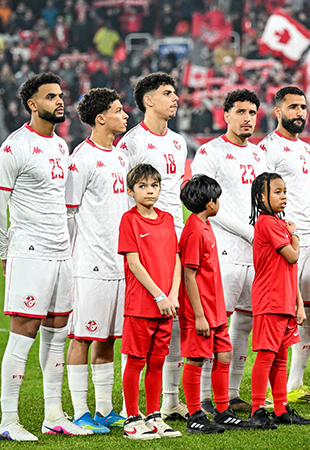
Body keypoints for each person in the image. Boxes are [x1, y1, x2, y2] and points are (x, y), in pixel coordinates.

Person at [0, 73, 91, 441]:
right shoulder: (14, 147)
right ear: (32, 104)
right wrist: (4, 251)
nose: (59, 101)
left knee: (57, 332)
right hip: (30, 250)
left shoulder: (60, 146)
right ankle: (8, 421)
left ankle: (53, 415)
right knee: (23, 334)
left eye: (60, 95)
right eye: (50, 96)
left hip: (60, 251)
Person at [189, 89, 267, 414]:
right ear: (226, 115)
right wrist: (249, 232)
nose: (247, 118)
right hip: (221, 251)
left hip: (254, 253)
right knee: (216, 324)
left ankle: (232, 393)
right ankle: (205, 396)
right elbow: (204, 203)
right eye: (241, 112)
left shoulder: (260, 155)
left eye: (252, 112)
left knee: (245, 323)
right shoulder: (210, 153)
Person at [117, 73, 189, 420]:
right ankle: (128, 408)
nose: (175, 98)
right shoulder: (131, 143)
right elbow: (124, 196)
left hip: (172, 236)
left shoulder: (178, 142)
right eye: (167, 93)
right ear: (148, 100)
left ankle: (167, 401)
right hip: (141, 238)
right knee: (139, 329)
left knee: (172, 321)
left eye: (175, 92)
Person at [65, 88, 130, 434]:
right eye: (118, 110)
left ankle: (104, 409)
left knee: (108, 338)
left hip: (119, 263)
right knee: (82, 336)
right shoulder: (82, 158)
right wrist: (72, 256)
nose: (125, 115)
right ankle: (80, 412)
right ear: (101, 118)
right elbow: (68, 212)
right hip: (90, 263)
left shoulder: (120, 157)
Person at [260, 87, 310, 403]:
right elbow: (261, 196)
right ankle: (269, 389)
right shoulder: (267, 148)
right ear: (278, 112)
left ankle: (295, 384)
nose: (300, 112)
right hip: (283, 240)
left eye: (303, 107)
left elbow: (308, 193)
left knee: (307, 311)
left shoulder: (306, 149)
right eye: (293, 107)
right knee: (280, 314)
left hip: (308, 237)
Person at [178, 175, 255, 433]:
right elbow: (189, 275)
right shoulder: (193, 231)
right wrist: (199, 316)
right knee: (196, 359)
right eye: (218, 198)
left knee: (224, 353)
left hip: (215, 308)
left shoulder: (205, 225)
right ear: (210, 203)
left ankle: (223, 411)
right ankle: (194, 415)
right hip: (200, 311)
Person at [118, 164, 181, 439]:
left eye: (154, 185)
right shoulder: (129, 220)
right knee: (135, 362)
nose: (149, 191)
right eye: (142, 186)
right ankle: (132, 419)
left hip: (166, 306)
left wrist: (173, 295)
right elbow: (134, 263)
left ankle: (154, 416)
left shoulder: (167, 218)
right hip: (142, 305)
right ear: (130, 191)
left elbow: (176, 258)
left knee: (157, 362)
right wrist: (159, 295)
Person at [248, 173, 310, 428]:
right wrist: (295, 234)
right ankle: (256, 410)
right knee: (267, 355)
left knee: (280, 357)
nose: (283, 196)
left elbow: (290, 269)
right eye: (277, 192)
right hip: (270, 299)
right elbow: (293, 256)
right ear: (261, 197)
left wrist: (298, 303)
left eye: (284, 191)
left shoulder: (277, 222)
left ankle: (280, 408)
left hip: (284, 299)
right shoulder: (267, 222)